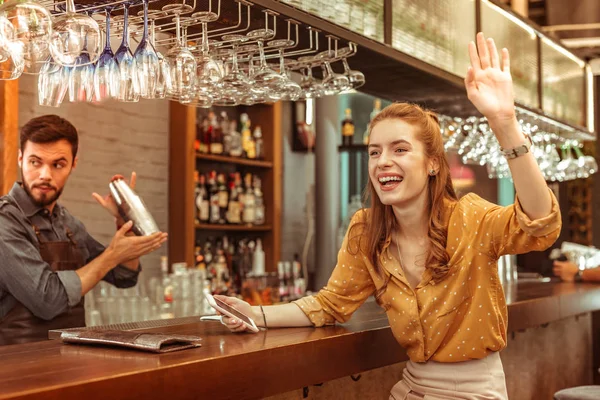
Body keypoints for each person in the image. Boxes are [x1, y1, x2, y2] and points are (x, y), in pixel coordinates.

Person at [215, 32, 562, 399]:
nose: (383, 162)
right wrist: (255, 313)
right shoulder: (366, 230)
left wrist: (505, 123)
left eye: (399, 149)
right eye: (374, 152)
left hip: (474, 390)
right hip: (411, 387)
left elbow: (541, 225)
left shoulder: (469, 217)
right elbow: (330, 304)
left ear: (432, 164)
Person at [0, 115, 168, 345]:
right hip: (18, 368)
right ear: (20, 159)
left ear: (73, 164)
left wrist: (125, 220)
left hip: (70, 359)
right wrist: (111, 255)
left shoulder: (68, 223)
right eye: (35, 162)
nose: (45, 175)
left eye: (58, 164)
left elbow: (123, 276)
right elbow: (47, 300)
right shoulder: (5, 221)